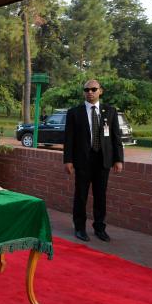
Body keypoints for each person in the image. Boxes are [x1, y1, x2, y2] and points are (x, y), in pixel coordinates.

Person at [63, 79, 124, 242]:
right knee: (81, 195)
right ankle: (80, 228)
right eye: (87, 89)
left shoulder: (110, 111)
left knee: (100, 195)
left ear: (100, 91)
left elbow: (115, 137)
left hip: (103, 161)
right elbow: (68, 139)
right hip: (83, 160)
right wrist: (68, 160)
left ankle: (99, 228)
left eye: (93, 89)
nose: (90, 92)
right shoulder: (74, 112)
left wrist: (119, 159)